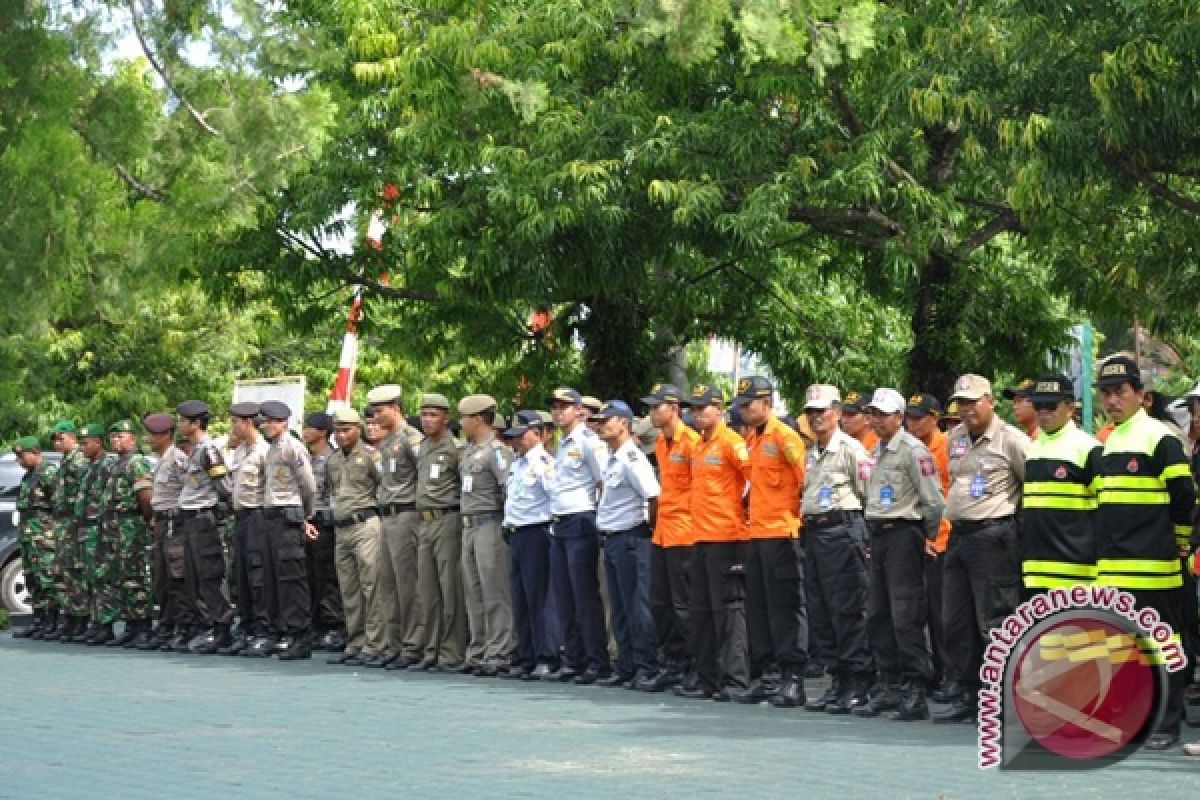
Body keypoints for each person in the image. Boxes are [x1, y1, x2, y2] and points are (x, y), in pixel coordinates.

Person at [1093, 356, 1196, 750]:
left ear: (1142, 396)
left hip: (1155, 568)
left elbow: (1184, 496)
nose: (1113, 400)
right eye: (1106, 393)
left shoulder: (1160, 438)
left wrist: (1179, 539)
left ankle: (1166, 724)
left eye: (1121, 392)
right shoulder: (1108, 441)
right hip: (1114, 569)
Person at [934, 375, 1029, 723]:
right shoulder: (954, 438)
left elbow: (1030, 487)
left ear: (990, 401)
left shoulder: (1011, 440)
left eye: (973, 401)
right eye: (961, 402)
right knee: (955, 621)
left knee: (995, 622)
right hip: (959, 536)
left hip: (994, 536)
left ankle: (1002, 700)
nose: (967, 408)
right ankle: (967, 694)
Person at [857, 389, 944, 721]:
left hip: (904, 532)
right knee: (877, 612)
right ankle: (889, 684)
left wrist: (925, 536)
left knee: (906, 613)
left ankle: (916, 687)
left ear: (899, 416)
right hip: (878, 534)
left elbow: (933, 502)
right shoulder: (874, 450)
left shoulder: (913, 450)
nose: (877, 420)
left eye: (883, 414)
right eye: (873, 414)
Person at [730, 376, 809, 708]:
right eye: (742, 405)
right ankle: (766, 675)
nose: (745, 411)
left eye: (750, 404)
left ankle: (793, 677)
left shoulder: (786, 437)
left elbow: (807, 482)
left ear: (767, 402)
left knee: (785, 608)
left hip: (782, 532)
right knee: (759, 608)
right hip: (757, 534)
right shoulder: (753, 440)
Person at [800, 386, 874, 714]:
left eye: (822, 411)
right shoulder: (811, 452)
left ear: (837, 411)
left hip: (842, 530)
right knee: (820, 610)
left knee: (847, 608)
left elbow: (868, 493)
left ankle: (857, 680)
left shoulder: (851, 449)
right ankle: (837, 679)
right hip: (815, 532)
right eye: (811, 412)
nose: (816, 418)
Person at [674, 383, 750, 701]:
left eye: (703, 408)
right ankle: (707, 678)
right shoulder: (699, 446)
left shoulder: (733, 443)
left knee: (728, 612)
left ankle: (735, 680)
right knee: (701, 611)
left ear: (719, 409)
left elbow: (752, 482)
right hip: (700, 536)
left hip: (727, 537)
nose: (697, 414)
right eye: (693, 409)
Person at [591, 400, 662, 688]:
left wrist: (647, 527)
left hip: (631, 536)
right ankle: (628, 666)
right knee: (619, 605)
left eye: (607, 420)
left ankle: (647, 666)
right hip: (612, 538)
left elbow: (653, 496)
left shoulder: (632, 458)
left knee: (637, 605)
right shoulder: (611, 457)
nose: (601, 425)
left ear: (623, 423)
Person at [546, 386, 610, 683]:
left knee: (584, 594)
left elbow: (603, 481)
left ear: (577, 409)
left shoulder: (588, 441)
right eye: (555, 407)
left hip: (581, 518)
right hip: (559, 521)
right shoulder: (562, 443)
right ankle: (574, 658)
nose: (559, 412)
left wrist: (597, 517)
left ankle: (597, 660)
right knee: (565, 595)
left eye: (564, 406)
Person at [1019, 375, 1102, 594]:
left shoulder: (1088, 449)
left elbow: (1106, 511)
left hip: (1076, 574)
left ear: (1070, 407)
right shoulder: (1034, 449)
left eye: (1050, 405)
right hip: (1035, 574)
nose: (1043, 412)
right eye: (1038, 405)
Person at [641, 383, 698, 691]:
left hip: (685, 532)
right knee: (660, 602)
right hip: (663, 532)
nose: (652, 412)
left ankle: (693, 664)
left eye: (656, 406)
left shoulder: (691, 442)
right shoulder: (662, 445)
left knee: (684, 604)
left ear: (674, 408)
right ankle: (673, 662)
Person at [366, 383, 425, 670]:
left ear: (396, 409)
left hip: (406, 514)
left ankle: (413, 645)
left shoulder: (412, 438)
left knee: (407, 585)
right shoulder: (387, 442)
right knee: (387, 584)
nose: (375, 417)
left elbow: (424, 475)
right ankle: (395, 642)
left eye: (380, 411)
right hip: (387, 515)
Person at [456, 394, 515, 676]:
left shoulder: (498, 451)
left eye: (465, 418)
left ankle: (499, 650)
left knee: (494, 590)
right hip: (468, 525)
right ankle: (478, 649)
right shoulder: (468, 451)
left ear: (479, 419)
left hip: (490, 523)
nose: (461, 423)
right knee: (473, 590)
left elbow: (508, 490)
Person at [325, 408, 387, 666]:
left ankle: (375, 644)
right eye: (337, 430)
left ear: (358, 429)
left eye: (346, 429)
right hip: (342, 528)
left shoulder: (373, 456)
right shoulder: (333, 460)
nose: (340, 435)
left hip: (365, 524)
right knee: (348, 588)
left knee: (371, 585)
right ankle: (356, 641)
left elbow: (384, 485)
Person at [258, 400, 318, 660]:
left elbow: (309, 486)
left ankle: (300, 635)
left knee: (291, 579)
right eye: (266, 421)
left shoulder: (293, 448)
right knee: (273, 578)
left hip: (288, 515)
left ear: (284, 423)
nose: (268, 426)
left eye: (273, 421)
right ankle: (282, 630)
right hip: (271, 517)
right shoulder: (271, 450)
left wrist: (304, 515)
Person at [174, 400, 235, 654]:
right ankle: (208, 625)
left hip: (204, 520)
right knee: (195, 576)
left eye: (183, 420)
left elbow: (224, 487)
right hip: (191, 520)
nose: (179, 424)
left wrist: (220, 515)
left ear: (195, 423)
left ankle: (222, 629)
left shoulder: (209, 450)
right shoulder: (195, 450)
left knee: (210, 575)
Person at [500, 411, 556, 680]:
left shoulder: (543, 462)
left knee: (539, 598)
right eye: (514, 437)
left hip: (536, 532)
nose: (517, 442)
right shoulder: (518, 463)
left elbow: (554, 496)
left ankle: (546, 655)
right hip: (517, 533)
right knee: (520, 597)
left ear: (537, 433)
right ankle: (527, 655)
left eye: (521, 436)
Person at [414, 392, 466, 670]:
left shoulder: (456, 449)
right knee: (427, 590)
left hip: (447, 518)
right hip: (424, 521)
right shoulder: (421, 447)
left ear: (446, 418)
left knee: (450, 588)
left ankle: (451, 651)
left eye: (434, 415)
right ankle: (430, 649)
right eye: (424, 414)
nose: (427, 420)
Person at [903, 393, 951, 690]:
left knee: (941, 613)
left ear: (935, 419)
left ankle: (948, 673)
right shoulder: (910, 448)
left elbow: (945, 498)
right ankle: (931, 671)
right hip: (916, 537)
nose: (913, 423)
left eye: (919, 417)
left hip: (941, 539)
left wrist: (935, 538)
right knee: (917, 610)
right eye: (910, 417)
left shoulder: (945, 447)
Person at [99, 420, 155, 648]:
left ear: (133, 438)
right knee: (121, 577)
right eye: (113, 437)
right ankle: (131, 625)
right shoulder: (115, 463)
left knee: (136, 575)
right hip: (114, 526)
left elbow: (145, 496)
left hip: (130, 524)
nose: (116, 441)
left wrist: (148, 520)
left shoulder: (136, 462)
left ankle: (143, 626)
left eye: (121, 436)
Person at [222, 402, 269, 656]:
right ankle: (247, 626)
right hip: (239, 517)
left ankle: (263, 629)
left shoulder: (264, 451)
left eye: (236, 422)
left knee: (258, 574)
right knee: (240, 574)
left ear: (248, 422)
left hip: (258, 517)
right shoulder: (239, 451)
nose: (233, 427)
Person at [141, 412, 189, 651]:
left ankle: (181, 628)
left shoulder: (178, 459)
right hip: (162, 523)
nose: (149, 439)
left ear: (166, 435)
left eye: (154, 435)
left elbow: (188, 492)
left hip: (175, 523)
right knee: (161, 577)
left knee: (176, 577)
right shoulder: (162, 459)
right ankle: (167, 625)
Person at [303, 411, 345, 651]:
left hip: (326, 522)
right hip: (307, 521)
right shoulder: (306, 458)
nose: (306, 431)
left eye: (310, 427)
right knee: (310, 576)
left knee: (328, 576)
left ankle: (333, 625)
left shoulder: (332, 459)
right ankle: (316, 622)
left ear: (321, 431)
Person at [45, 421, 90, 643]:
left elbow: (84, 492)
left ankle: (81, 619)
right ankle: (70, 618)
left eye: (61, 438)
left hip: (74, 521)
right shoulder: (65, 461)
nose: (56, 443)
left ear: (72, 438)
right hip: (63, 522)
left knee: (76, 571)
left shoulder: (79, 460)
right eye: (55, 439)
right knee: (64, 573)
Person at [10, 436, 58, 639]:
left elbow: (58, 504)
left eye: (22, 456)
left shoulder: (48, 473)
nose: (19, 461)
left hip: (44, 536)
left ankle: (53, 622)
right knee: (32, 579)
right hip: (30, 536)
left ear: (35, 452)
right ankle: (39, 621)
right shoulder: (29, 476)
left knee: (47, 578)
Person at [74, 424, 117, 645]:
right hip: (86, 529)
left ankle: (106, 625)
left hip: (100, 528)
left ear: (98, 442)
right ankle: (96, 621)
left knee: (102, 577)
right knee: (90, 577)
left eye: (85, 443)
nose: (82, 448)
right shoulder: (90, 466)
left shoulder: (108, 465)